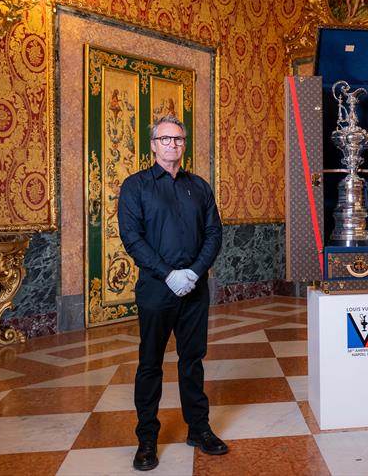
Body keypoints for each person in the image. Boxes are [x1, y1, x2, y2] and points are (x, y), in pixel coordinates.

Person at [118, 114, 226, 471]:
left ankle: (199, 428)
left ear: (183, 144)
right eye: (165, 139)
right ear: (153, 145)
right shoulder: (136, 187)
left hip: (194, 290)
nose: (172, 145)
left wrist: (194, 273)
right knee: (150, 364)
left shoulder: (200, 186)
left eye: (178, 139)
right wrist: (168, 275)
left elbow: (214, 234)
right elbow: (132, 238)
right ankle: (147, 439)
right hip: (156, 289)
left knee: (192, 361)